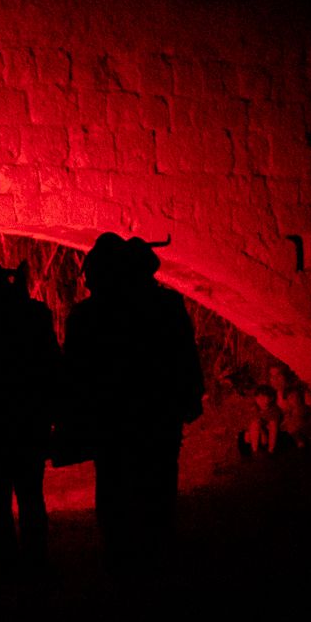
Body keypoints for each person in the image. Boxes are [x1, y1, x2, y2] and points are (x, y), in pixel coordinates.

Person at [61, 234, 203, 568]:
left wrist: (72, 421)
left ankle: (125, 557)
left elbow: (74, 373)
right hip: (158, 413)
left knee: (114, 484)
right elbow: (184, 353)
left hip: (112, 419)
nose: (87, 278)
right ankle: (155, 551)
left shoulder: (87, 315)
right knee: (158, 481)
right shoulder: (165, 305)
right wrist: (190, 395)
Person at [0, 261, 61, 574]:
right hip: (28, 422)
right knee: (30, 495)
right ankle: (35, 559)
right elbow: (51, 367)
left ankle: (6, 564)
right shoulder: (34, 317)